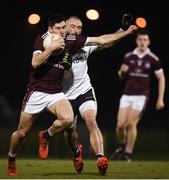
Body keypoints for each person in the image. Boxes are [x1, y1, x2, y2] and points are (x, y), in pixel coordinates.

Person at [38, 15, 138, 175]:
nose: (76, 30)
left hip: (84, 92)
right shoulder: (55, 46)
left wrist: (124, 30)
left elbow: (106, 40)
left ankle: (101, 158)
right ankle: (71, 150)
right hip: (63, 98)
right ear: (64, 28)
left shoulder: (84, 44)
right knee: (71, 133)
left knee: (91, 121)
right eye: (72, 26)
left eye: (79, 28)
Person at [110, 29, 165, 161]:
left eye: (145, 40)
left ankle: (127, 154)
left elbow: (161, 78)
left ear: (149, 42)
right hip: (127, 95)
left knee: (131, 123)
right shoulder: (129, 56)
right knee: (120, 126)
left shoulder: (153, 59)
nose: (142, 42)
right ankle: (122, 147)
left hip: (141, 96)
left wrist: (160, 99)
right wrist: (121, 72)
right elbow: (121, 75)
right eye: (140, 39)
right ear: (136, 41)